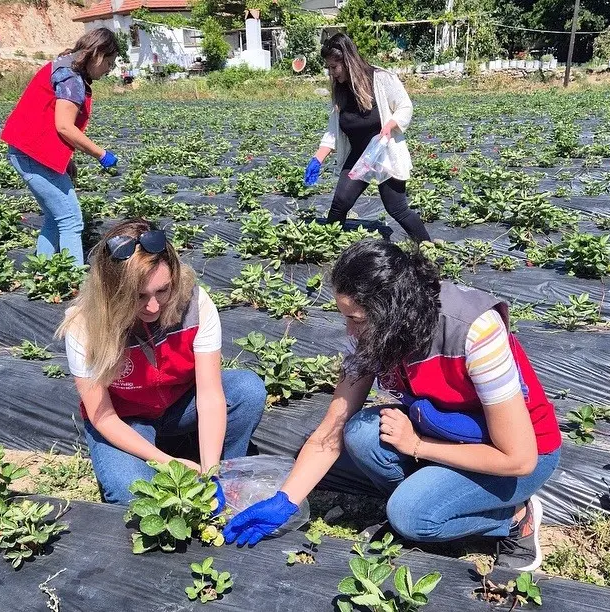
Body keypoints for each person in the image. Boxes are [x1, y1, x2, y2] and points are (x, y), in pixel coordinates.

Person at [223, 240, 562, 572]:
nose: (349, 330)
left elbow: (518, 458)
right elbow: (332, 429)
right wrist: (285, 502)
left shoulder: (474, 332)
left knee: (411, 517)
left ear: (392, 313)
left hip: (518, 453)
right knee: (360, 433)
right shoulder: (376, 334)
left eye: (357, 319)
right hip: (447, 432)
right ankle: (430, 495)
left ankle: (515, 518)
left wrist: (418, 446)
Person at [57, 219, 267, 505]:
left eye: (162, 291)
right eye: (138, 296)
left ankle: (227, 476)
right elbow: (102, 416)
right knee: (129, 491)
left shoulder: (195, 304)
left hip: (179, 406)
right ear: (112, 291)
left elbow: (209, 394)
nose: (153, 306)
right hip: (125, 419)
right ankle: (160, 454)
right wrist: (167, 462)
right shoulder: (85, 325)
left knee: (246, 390)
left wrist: (211, 471)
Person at [0, 27, 121, 266]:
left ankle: (42, 270)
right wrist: (101, 154)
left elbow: (54, 124)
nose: (109, 69)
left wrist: (66, 160)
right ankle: (74, 282)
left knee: (56, 218)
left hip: (30, 151)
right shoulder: (71, 78)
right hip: (32, 153)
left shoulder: (65, 67)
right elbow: (64, 126)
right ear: (97, 54)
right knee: (71, 220)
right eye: (109, 62)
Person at [304, 33, 430, 243]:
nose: (331, 73)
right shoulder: (341, 92)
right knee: (340, 203)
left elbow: (405, 106)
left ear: (347, 61)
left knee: (396, 208)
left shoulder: (380, 79)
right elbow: (333, 131)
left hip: (384, 153)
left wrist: (390, 125)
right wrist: (318, 158)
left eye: (334, 67)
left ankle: (428, 248)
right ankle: (327, 247)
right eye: (328, 68)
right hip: (360, 156)